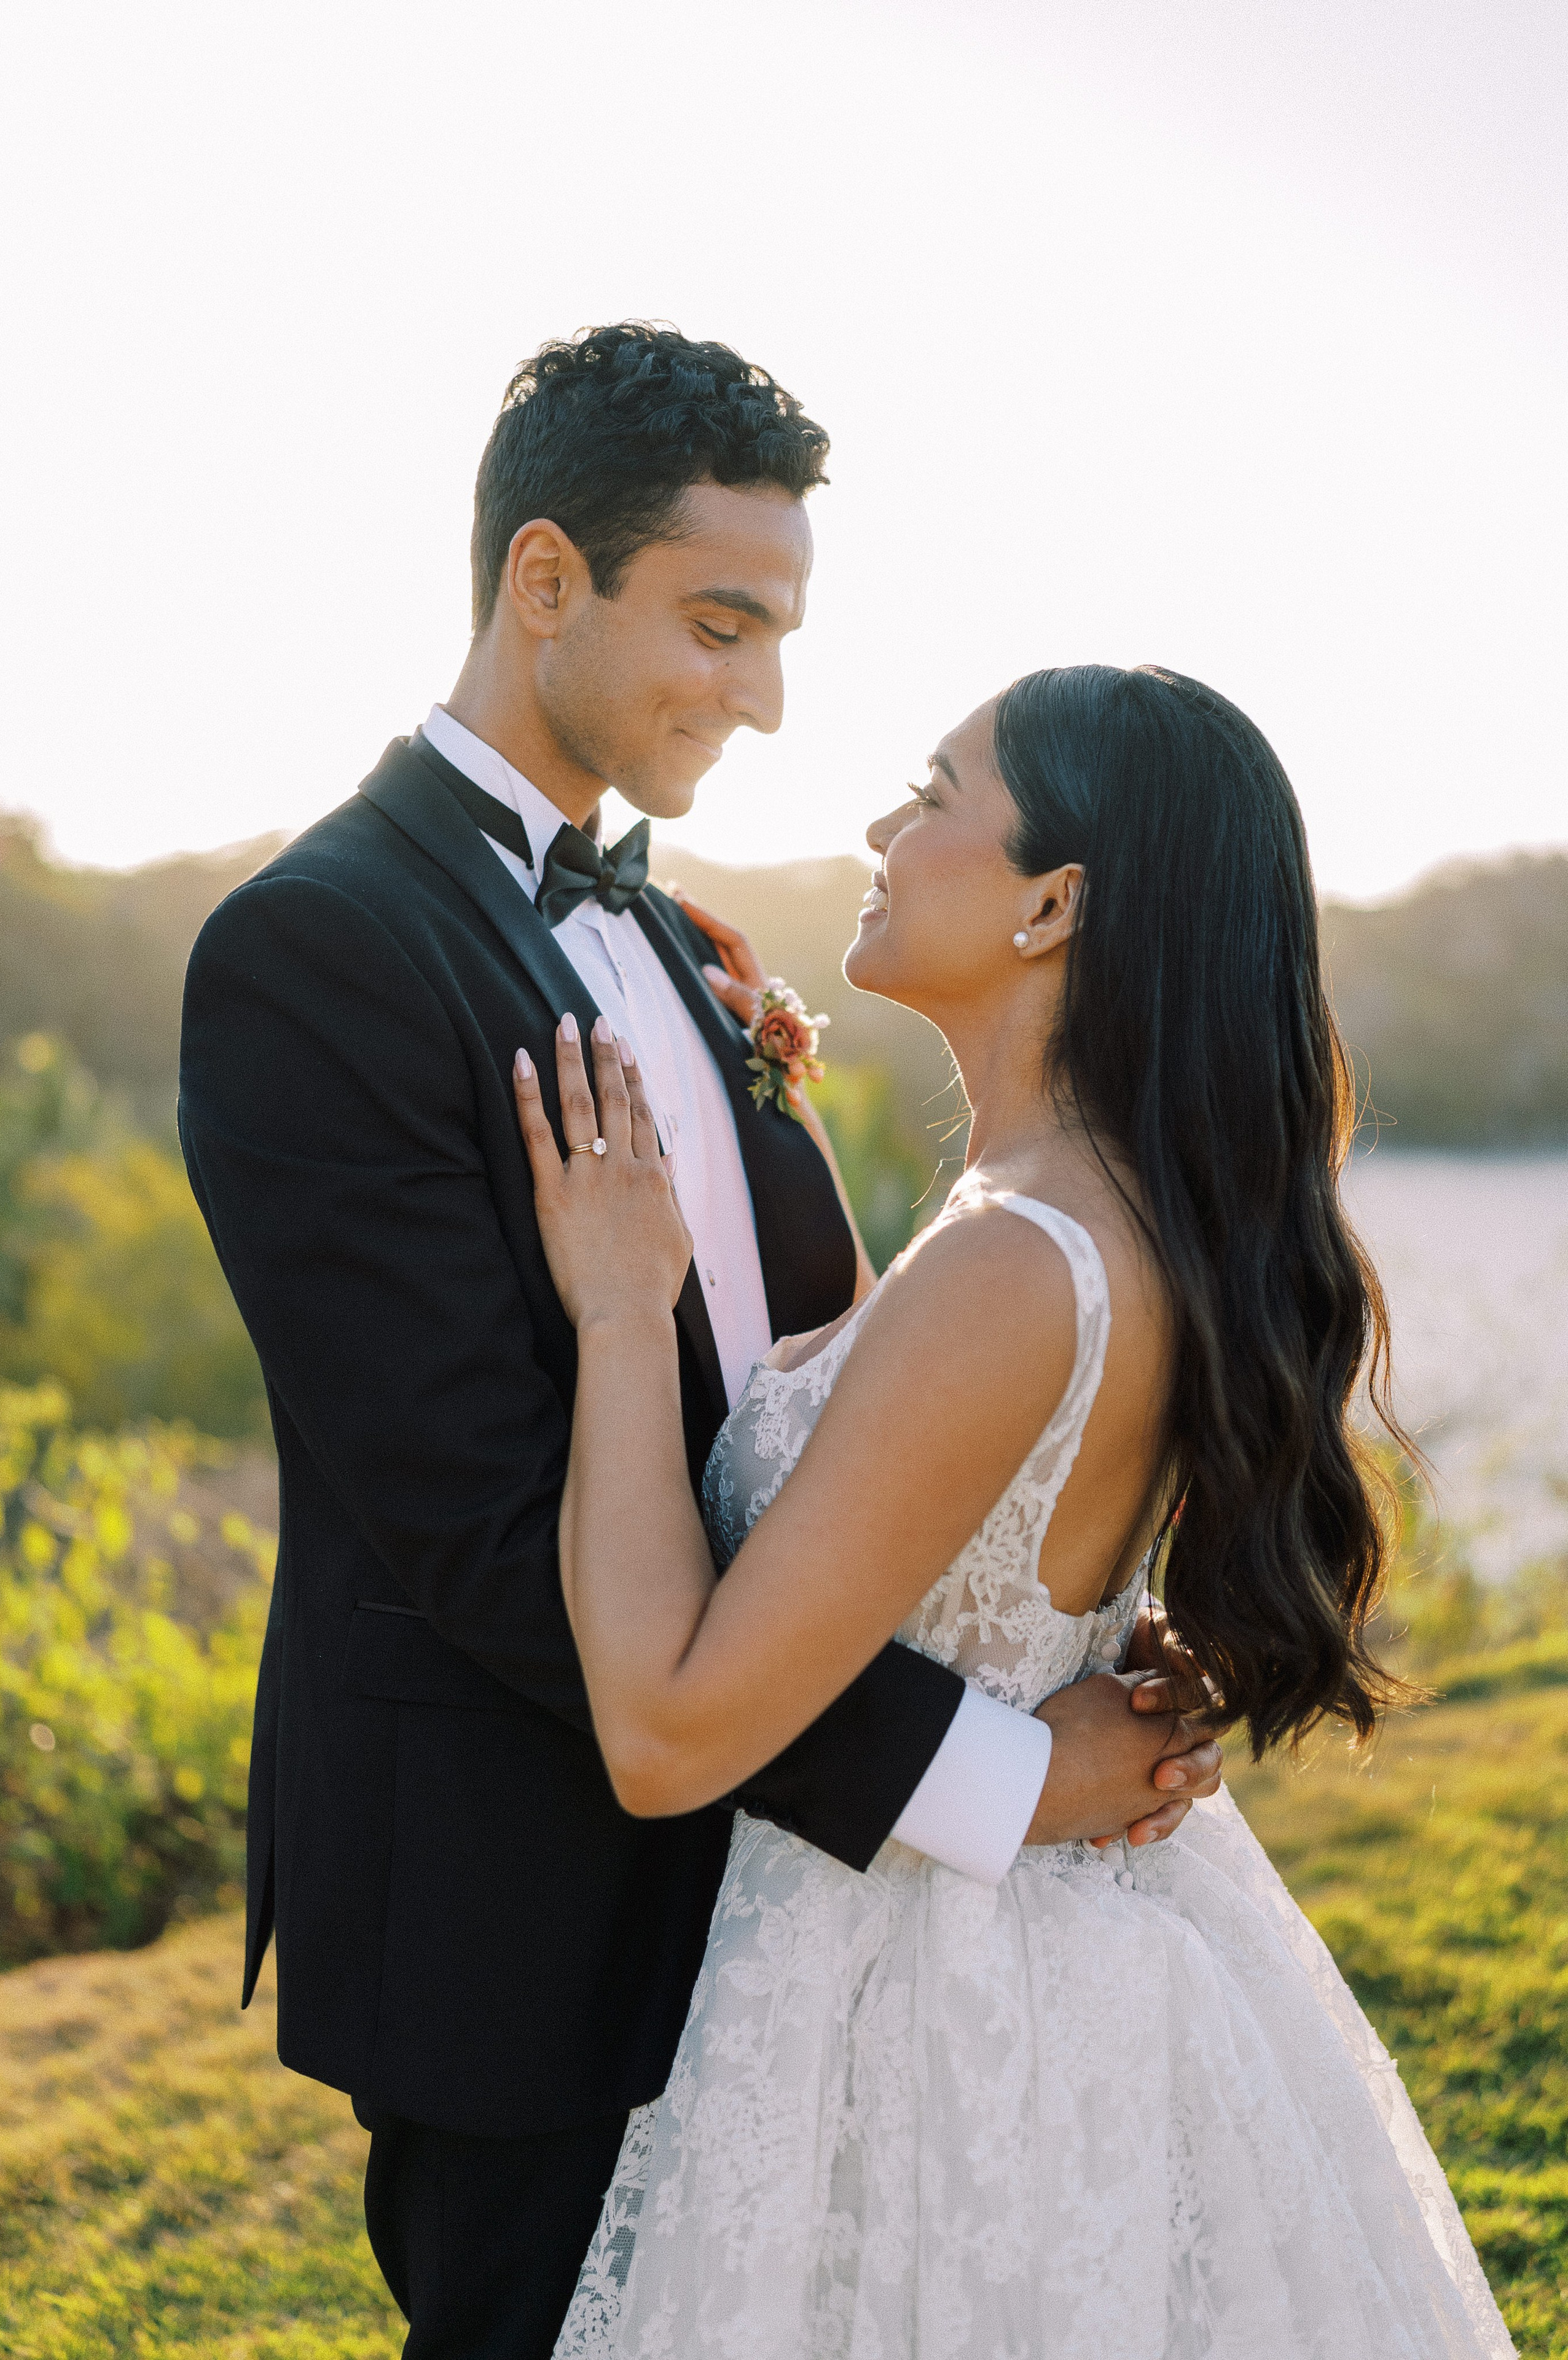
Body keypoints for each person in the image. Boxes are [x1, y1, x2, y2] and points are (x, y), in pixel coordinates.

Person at [178, 326, 1221, 2359]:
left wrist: (1067, 1629)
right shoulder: (312, 954)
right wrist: (997, 1776)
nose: (761, 699)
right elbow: (486, 1540)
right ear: (545, 580)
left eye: (782, 634)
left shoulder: (678, 934)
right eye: (721, 626)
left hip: (801, 1903)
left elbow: (823, 1392)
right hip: (526, 1890)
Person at [515, 664, 1516, 2358]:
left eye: (932, 791)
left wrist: (622, 1312)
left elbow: (674, 1732)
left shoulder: (1015, 1261)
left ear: (1054, 901)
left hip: (923, 1999)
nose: (881, 827)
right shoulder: (1085, 1214)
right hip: (1018, 1942)